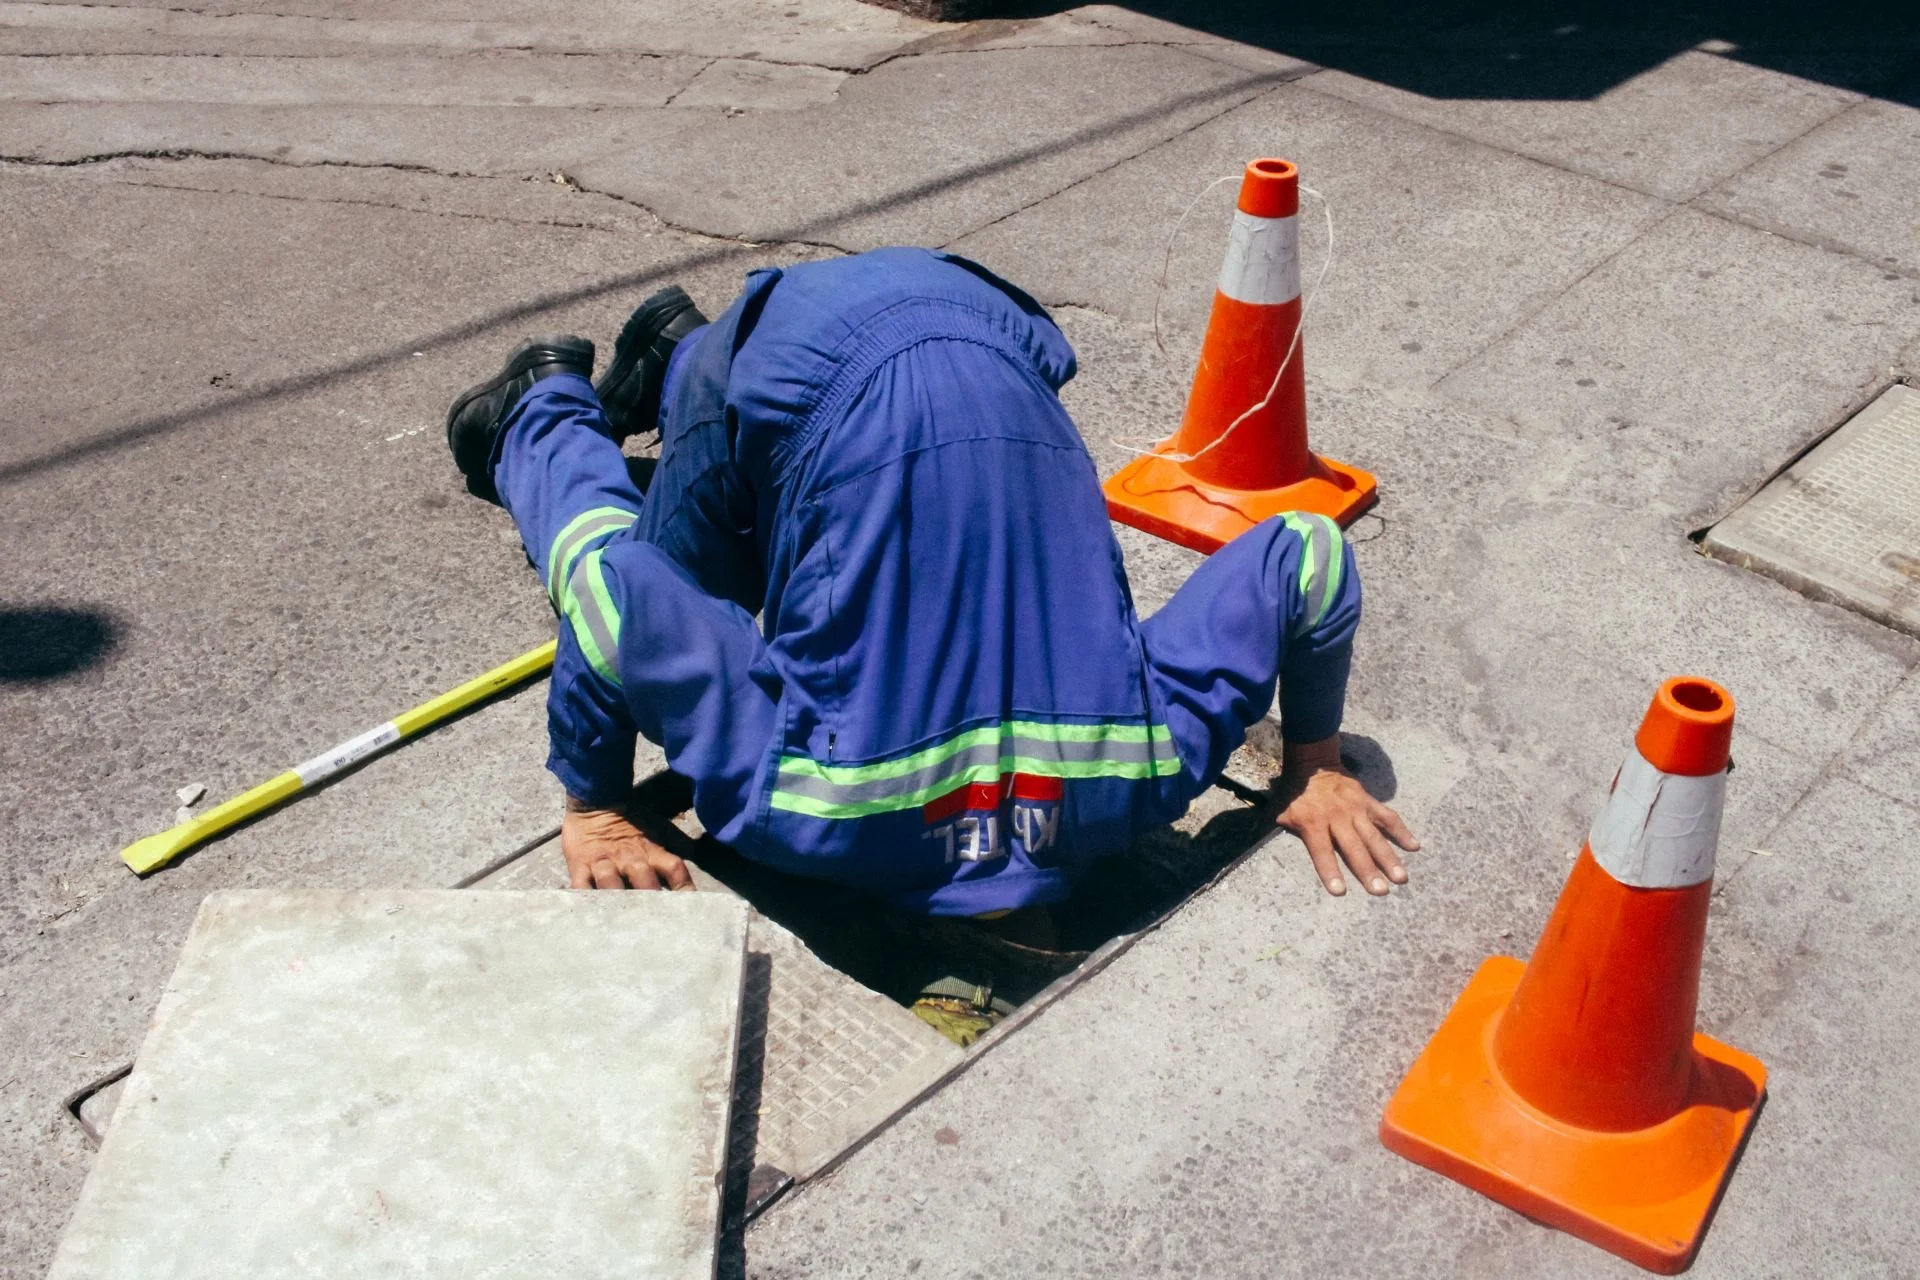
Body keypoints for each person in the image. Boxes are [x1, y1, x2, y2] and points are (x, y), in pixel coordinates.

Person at [446, 247, 1418, 922]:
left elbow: (1307, 552)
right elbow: (612, 595)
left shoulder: (1141, 773)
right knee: (639, 556)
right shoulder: (809, 815)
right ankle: (538, 408)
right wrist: (596, 805)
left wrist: (1313, 761)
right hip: (862, 341)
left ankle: (696, 361)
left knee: (714, 537)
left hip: (975, 321)